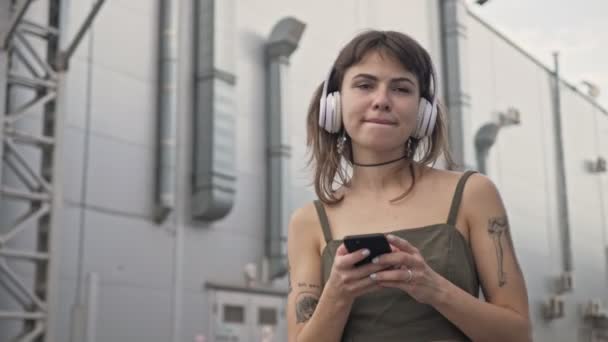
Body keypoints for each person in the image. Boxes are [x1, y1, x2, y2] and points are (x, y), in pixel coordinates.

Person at [286, 30, 531, 342]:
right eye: (364, 85)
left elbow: (518, 334)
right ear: (333, 104)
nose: (382, 101)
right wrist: (337, 295)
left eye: (401, 89)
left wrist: (433, 288)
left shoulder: (473, 194)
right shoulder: (307, 222)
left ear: (424, 113)